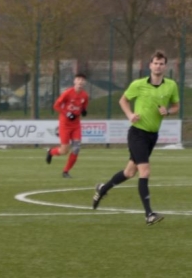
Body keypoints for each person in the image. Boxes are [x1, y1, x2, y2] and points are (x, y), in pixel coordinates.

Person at [92, 50, 179, 226]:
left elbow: (176, 106)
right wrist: (130, 115)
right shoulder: (138, 84)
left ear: (165, 66)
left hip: (152, 135)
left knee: (129, 172)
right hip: (137, 133)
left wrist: (168, 111)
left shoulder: (171, 85)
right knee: (144, 171)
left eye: (161, 63)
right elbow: (123, 100)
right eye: (155, 63)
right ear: (150, 65)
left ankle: (102, 189)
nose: (158, 66)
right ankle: (149, 214)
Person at [46, 73, 89, 178]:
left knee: (76, 148)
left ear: (85, 82)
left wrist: (83, 111)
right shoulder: (67, 93)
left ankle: (66, 171)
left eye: (82, 80)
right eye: (78, 79)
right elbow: (56, 106)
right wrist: (67, 113)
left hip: (76, 125)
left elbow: (83, 107)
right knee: (64, 150)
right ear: (74, 81)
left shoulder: (85, 95)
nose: (80, 81)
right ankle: (51, 152)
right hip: (65, 124)